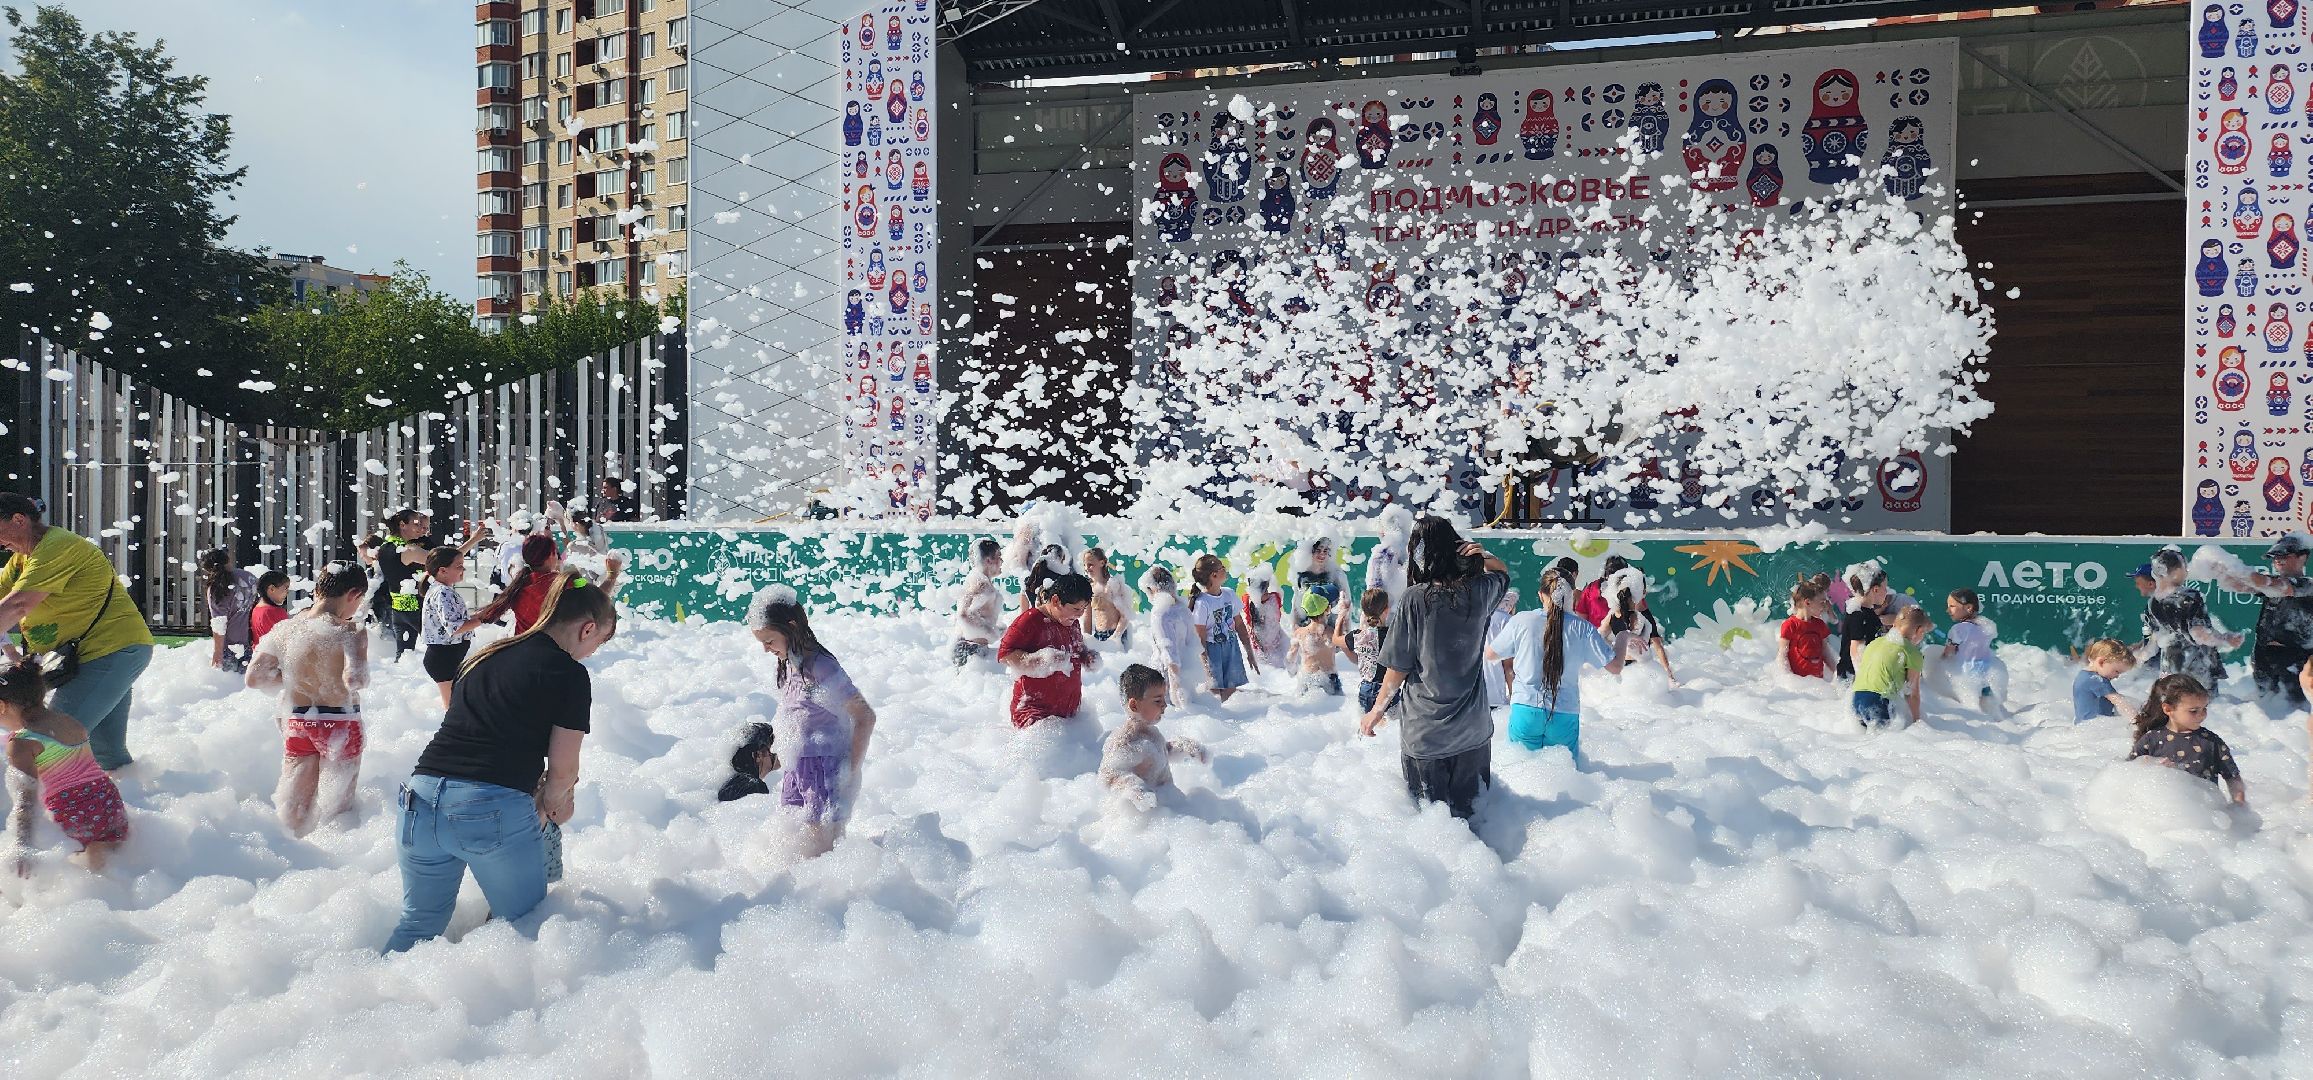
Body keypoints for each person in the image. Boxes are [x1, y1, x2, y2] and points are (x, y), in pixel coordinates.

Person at [385, 572, 617, 953]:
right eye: (600, 642)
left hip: (420, 799)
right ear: (588, 629)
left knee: (417, 925)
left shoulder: (485, 657)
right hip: (487, 805)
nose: (593, 652)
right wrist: (551, 806)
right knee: (525, 930)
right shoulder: (569, 673)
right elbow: (563, 770)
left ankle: (371, 1003)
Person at [1358, 517, 1509, 823]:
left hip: (1426, 737)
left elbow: (1397, 668)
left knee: (1430, 828)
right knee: (1476, 821)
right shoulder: (1480, 592)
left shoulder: (1416, 598)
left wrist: (1377, 710)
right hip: (1473, 731)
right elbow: (1503, 573)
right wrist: (1483, 555)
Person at [0, 493, 154, 772]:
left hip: (109, 653)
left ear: (19, 520)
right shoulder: (21, 559)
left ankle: (28, 815)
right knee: (107, 754)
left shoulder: (58, 546)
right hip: (96, 658)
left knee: (38, 744)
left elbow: (17, 604)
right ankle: (133, 808)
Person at [244, 563, 370, 837]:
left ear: (317, 591)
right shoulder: (351, 631)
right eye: (358, 602)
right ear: (353, 594)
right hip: (340, 723)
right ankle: (336, 854)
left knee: (293, 806)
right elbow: (356, 680)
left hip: (298, 721)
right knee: (337, 808)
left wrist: (293, 677)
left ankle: (290, 851)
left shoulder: (286, 628)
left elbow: (254, 678)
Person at [748, 588, 877, 855]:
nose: (765, 649)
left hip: (824, 771)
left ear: (791, 628)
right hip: (799, 770)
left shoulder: (821, 666)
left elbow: (865, 716)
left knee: (821, 850)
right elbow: (800, 723)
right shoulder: (790, 665)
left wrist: (849, 771)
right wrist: (773, 760)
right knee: (795, 847)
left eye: (770, 641)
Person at [1486, 565, 1623, 765]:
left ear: (1541, 595)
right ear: (1572, 596)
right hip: (1564, 713)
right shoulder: (1582, 628)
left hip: (1526, 710)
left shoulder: (1521, 620)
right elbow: (1615, 667)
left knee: (1519, 773)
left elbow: (1491, 655)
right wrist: (1623, 637)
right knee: (1565, 778)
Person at [2, 662, 128, 873]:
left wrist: (22, 846)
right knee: (101, 866)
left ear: (1, 706)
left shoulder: (22, 744)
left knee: (42, 871)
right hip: (109, 803)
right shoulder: (69, 721)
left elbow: (26, 800)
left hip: (73, 814)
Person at [1099, 664, 1208, 810]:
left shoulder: (1152, 732)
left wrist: (1184, 747)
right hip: (1142, 815)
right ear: (1134, 706)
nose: (1164, 705)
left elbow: (1161, 753)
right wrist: (1133, 787)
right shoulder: (1123, 740)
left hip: (1165, 805)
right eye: (1157, 700)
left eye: (1164, 698)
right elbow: (1108, 775)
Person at [997, 572, 1098, 728]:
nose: (1080, 614)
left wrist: (1086, 656)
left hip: (1067, 716)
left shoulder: (1071, 622)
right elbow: (1005, 655)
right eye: (1076, 608)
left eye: (1084, 608)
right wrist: (1040, 660)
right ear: (1056, 600)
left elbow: (1076, 648)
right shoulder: (1030, 621)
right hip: (1034, 715)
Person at [2127, 673, 2246, 805]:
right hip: (2162, 812)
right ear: (2168, 709)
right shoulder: (2151, 739)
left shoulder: (2211, 741)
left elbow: (2232, 777)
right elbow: (2127, 772)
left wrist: (2239, 806)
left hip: (2207, 814)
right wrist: (2151, 763)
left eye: (2204, 708)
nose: (2202, 715)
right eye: (2194, 711)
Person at [2224, 533, 2313, 707]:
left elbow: (2281, 587)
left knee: (2294, 711)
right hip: (2264, 659)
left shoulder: (2308, 585)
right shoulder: (2270, 586)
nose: (2278, 561)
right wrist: (2220, 571)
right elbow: (2242, 586)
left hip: (2296, 663)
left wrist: (2244, 573)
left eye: (2284, 556)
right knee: (2266, 707)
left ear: (2303, 556)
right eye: (2274, 557)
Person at [479, 534, 625, 636]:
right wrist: (612, 575)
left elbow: (484, 616)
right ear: (551, 556)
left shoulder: (519, 583)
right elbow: (596, 598)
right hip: (548, 654)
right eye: (556, 552)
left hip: (519, 650)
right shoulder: (565, 582)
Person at [2141, 545, 2238, 691]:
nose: (2186, 571)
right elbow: (2199, 634)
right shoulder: (2189, 597)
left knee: (2175, 704)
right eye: (2184, 567)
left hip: (2169, 664)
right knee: (2203, 707)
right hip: (2196, 665)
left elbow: (2154, 641)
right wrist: (2225, 639)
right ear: (2175, 570)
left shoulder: (2152, 602)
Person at [420, 549, 487, 708]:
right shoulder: (443, 593)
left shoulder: (441, 590)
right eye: (459, 566)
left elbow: (455, 621)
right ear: (443, 571)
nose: (463, 570)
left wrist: (479, 615)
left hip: (445, 657)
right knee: (452, 710)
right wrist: (484, 618)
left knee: (455, 707)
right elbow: (455, 628)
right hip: (443, 659)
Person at [1189, 554, 1259, 702]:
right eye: (1222, 567)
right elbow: (1200, 638)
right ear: (1214, 575)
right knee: (1214, 695)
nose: (1225, 569)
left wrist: (1249, 652)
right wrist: (1207, 667)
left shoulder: (1229, 594)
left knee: (1231, 696)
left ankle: (1232, 721)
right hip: (1212, 651)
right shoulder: (1202, 603)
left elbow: (1239, 624)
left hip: (1231, 647)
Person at [1852, 607, 1930, 730]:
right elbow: (1911, 693)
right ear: (1920, 631)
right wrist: (1917, 722)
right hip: (1878, 701)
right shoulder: (1912, 652)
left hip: (1856, 698)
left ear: (1894, 624)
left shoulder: (1874, 643)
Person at [1942, 588, 2008, 718]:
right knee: (1987, 702)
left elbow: (1948, 653)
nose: (1948, 610)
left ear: (1968, 608)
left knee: (1970, 708)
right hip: (1986, 672)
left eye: (1952, 606)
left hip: (1966, 673)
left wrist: (1940, 662)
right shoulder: (1985, 626)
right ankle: (1997, 719)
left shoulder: (1959, 629)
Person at [1602, 568, 1675, 683]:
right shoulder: (1645, 618)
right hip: (1638, 670)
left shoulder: (1613, 614)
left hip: (1617, 666)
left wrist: (1610, 650)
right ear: (1643, 592)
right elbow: (1658, 647)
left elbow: (1598, 636)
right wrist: (1669, 675)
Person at [1144, 566, 1200, 708]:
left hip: (1165, 677)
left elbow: (1170, 654)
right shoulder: (1182, 608)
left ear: (1153, 589)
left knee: (1171, 713)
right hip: (1186, 674)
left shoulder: (1161, 613)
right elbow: (1193, 645)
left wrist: (1175, 689)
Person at [198, 548, 259, 673]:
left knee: (226, 687)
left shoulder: (216, 586)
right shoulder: (249, 578)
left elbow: (219, 622)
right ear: (228, 559)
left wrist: (217, 652)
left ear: (206, 569)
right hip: (247, 643)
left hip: (227, 647)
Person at [951, 538, 1008, 667]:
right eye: (999, 557)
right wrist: (990, 633)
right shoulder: (981, 584)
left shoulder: (982, 582)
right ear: (988, 560)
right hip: (970, 649)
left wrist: (996, 630)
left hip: (972, 648)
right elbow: (963, 615)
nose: (1002, 561)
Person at [1339, 588, 1392, 714]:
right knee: (1390, 726)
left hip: (1366, 688)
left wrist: (1340, 618)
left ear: (1363, 612)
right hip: (1387, 689)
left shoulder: (1358, 635)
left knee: (1365, 724)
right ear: (1387, 610)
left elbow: (1336, 640)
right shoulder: (1393, 636)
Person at [1837, 562, 1891, 682]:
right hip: (1851, 678)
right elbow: (1856, 650)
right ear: (1875, 590)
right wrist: (1864, 679)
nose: (1887, 591)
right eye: (1885, 587)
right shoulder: (1858, 615)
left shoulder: (1866, 612)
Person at [1288, 591, 1345, 697]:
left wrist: (1292, 670)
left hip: (1307, 678)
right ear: (1327, 610)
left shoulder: (1299, 633)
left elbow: (1290, 658)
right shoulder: (1332, 633)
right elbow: (1344, 645)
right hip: (1329, 679)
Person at [1780, 574, 1833, 679]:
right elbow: (1782, 655)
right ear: (1808, 602)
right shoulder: (1790, 625)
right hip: (1798, 683)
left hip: (1817, 683)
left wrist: (1837, 672)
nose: (1824, 606)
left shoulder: (1820, 625)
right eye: (1822, 602)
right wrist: (1787, 678)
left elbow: (1826, 653)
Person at [2072, 638, 2137, 722]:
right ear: (2101, 662)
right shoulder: (2097, 680)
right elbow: (2120, 702)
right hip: (2096, 729)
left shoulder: (2083, 675)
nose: (2117, 676)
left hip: (2083, 727)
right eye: (2116, 671)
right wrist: (2138, 721)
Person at [1082, 546, 1136, 647]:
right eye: (1084, 565)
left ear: (1102, 563)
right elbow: (1087, 617)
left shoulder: (1113, 584)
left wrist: (1115, 637)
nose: (1086, 568)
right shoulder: (1089, 587)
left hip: (1116, 634)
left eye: (1090, 565)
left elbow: (1125, 615)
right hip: (1098, 635)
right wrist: (1086, 642)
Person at [1242, 564, 1291, 670]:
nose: (1268, 593)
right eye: (1265, 591)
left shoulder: (1274, 598)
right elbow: (1251, 630)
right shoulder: (1250, 604)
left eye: (1267, 589)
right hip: (1261, 648)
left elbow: (1277, 619)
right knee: (1265, 664)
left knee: (1281, 662)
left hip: (1277, 642)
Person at [718, 722, 779, 803]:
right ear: (758, 755)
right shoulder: (755, 787)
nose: (776, 755)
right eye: (772, 751)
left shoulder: (728, 783)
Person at [1364, 505, 1413, 604]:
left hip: (1388, 611)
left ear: (1383, 530)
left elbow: (1374, 589)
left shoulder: (1383, 553)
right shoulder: (1409, 551)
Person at [1573, 555, 1625, 628]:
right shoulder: (1591, 589)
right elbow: (1581, 616)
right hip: (1596, 635)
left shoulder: (1630, 589)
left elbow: (1581, 617)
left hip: (1619, 635)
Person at [249, 571, 293, 649]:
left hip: (257, 656)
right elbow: (286, 643)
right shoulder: (276, 612)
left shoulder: (255, 608)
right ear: (272, 589)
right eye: (286, 588)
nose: (288, 592)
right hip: (274, 659)